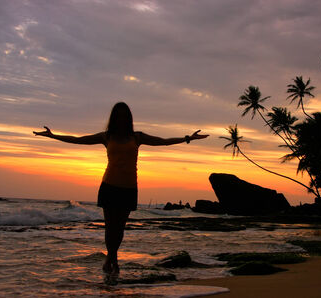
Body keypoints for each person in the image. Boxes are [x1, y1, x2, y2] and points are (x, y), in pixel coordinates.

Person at [33, 102, 208, 277]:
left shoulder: (137, 137)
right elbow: (79, 140)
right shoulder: (106, 137)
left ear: (129, 118)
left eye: (125, 116)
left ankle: (111, 257)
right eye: (119, 116)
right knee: (110, 227)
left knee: (120, 228)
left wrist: (188, 138)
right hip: (109, 186)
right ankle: (113, 259)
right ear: (114, 118)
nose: (122, 119)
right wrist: (53, 136)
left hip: (129, 187)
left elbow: (162, 141)